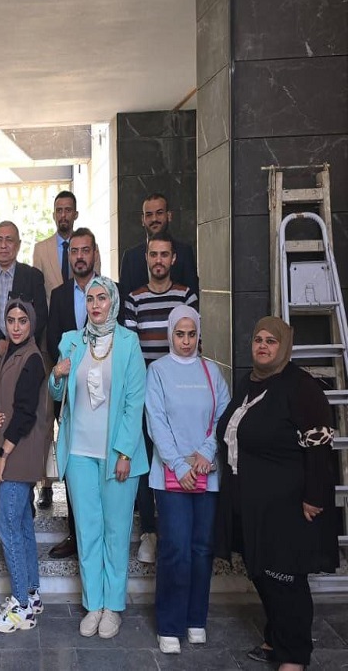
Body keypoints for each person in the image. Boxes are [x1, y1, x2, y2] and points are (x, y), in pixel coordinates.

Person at [215, 317, 338, 670]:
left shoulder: (301, 388)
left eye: (271, 340)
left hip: (287, 504)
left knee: (285, 577)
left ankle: (294, 655)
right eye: (258, 339)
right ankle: (275, 638)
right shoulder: (248, 383)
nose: (263, 346)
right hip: (251, 500)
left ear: (284, 345)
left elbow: (319, 446)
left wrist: (315, 496)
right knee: (262, 572)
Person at [48, 276, 147, 640]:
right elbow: (58, 392)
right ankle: (94, 604)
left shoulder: (128, 343)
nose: (95, 304)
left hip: (118, 456)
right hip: (79, 454)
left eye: (102, 298)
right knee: (87, 531)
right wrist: (55, 376)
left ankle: (114, 606)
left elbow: (134, 402)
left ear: (113, 302)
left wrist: (124, 452)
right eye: (90, 298)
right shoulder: (71, 342)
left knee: (115, 532)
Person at [144, 306, 230, 655]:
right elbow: (156, 422)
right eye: (179, 334)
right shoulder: (158, 371)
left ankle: (196, 619)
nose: (185, 341)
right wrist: (180, 465)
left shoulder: (212, 371)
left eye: (191, 334)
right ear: (170, 335)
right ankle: (170, 624)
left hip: (206, 474)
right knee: (175, 549)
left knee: (201, 550)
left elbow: (224, 416)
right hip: (172, 477)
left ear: (198, 334)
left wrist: (205, 454)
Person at [123, 231, 200, 565]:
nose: (158, 261)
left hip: (179, 395)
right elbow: (129, 350)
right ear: (147, 258)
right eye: (153, 254)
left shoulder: (186, 297)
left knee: (175, 458)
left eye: (164, 255)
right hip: (143, 394)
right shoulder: (133, 298)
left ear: (173, 259)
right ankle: (149, 532)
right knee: (144, 463)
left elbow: (195, 347)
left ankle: (174, 529)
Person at [0, 220, 48, 518]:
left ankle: (23, 488)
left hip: (22, 356)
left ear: (18, 244)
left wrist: (16, 346)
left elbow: (38, 315)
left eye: (9, 240)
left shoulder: (32, 276)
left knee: (20, 415)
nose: (4, 245)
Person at [32, 191, 100, 512]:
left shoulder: (86, 248)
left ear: (75, 213)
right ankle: (46, 483)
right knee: (50, 417)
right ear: (53, 213)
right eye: (58, 210)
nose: (63, 214)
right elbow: (39, 296)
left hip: (92, 355)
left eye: (68, 210)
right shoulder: (41, 249)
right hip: (52, 347)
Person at [0, 299, 52, 634]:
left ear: (32, 324)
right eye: (10, 320)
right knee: (23, 526)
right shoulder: (9, 354)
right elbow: (1, 400)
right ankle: (32, 593)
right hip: (12, 448)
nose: (15, 326)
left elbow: (25, 413)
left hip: (18, 452)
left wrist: (2, 455)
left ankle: (21, 608)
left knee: (8, 527)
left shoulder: (32, 358)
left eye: (22, 321)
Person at [43, 227, 101, 559]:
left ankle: (96, 534)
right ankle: (75, 534)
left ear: (94, 253)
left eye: (85, 250)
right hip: (69, 390)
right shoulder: (60, 295)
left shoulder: (108, 291)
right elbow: (53, 340)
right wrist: (74, 365)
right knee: (72, 462)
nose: (79, 256)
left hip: (103, 393)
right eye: (74, 251)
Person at [118, 193, 199, 299]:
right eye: (149, 214)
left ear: (169, 216)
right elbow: (124, 300)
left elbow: (193, 297)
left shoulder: (184, 252)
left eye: (159, 213)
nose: (154, 219)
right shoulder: (130, 257)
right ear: (142, 220)